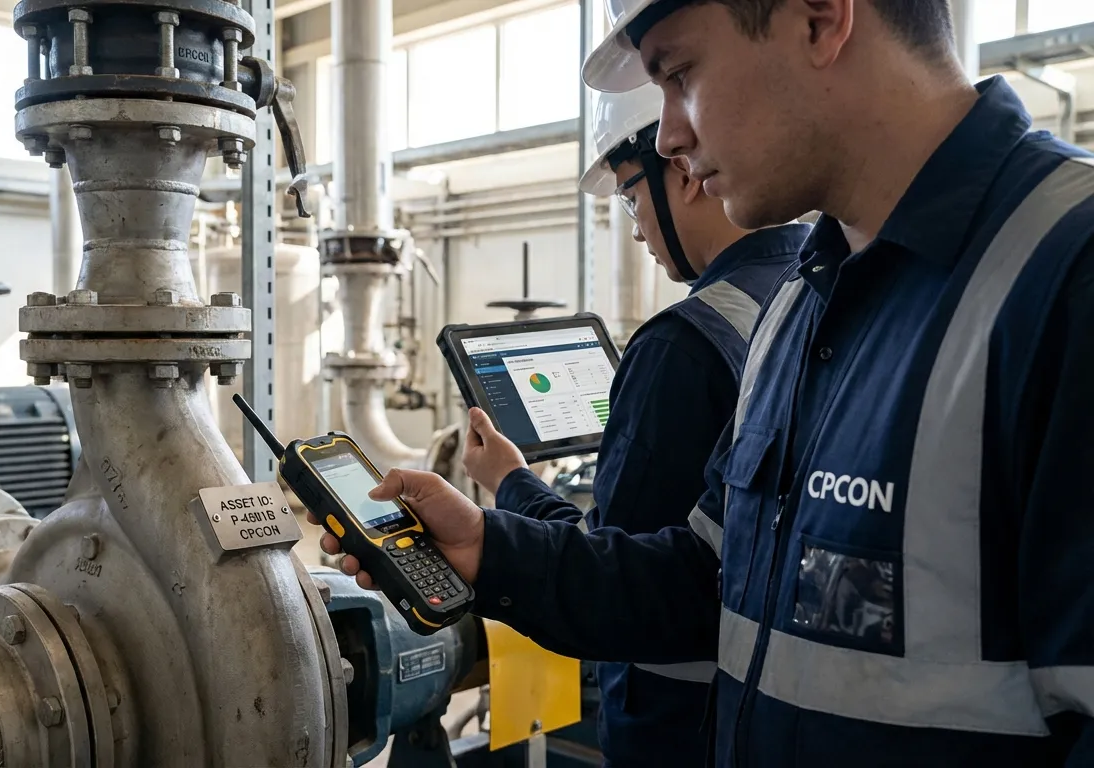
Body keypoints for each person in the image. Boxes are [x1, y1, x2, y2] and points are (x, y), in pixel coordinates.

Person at [317, 0, 1094, 764]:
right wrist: (490, 548)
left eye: (680, 73)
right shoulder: (802, 303)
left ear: (820, 19)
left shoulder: (1065, 272)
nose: (669, 135)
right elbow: (701, 583)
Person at [461, 78, 808, 766]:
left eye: (629, 194)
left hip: (678, 725)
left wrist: (506, 495)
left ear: (680, 168)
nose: (638, 224)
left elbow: (621, 584)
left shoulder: (680, 345)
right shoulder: (814, 287)